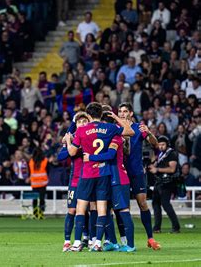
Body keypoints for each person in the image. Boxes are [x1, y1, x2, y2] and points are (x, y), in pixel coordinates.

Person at [67, 102, 134, 252]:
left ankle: (77, 242)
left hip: (87, 173)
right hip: (104, 173)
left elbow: (72, 153)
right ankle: (97, 242)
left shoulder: (82, 130)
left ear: (89, 115)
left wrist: (67, 141)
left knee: (81, 208)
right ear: (101, 114)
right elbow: (130, 131)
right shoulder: (110, 128)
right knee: (103, 209)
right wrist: (116, 117)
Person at [86, 107, 136, 252]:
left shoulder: (115, 137)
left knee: (123, 210)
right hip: (107, 176)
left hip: (118, 178)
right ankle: (112, 242)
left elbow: (110, 155)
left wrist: (91, 157)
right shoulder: (107, 137)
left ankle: (131, 245)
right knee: (106, 210)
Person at [118, 103, 161, 250]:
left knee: (143, 204)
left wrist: (149, 133)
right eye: (120, 111)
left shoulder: (138, 127)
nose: (122, 114)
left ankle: (150, 238)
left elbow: (155, 144)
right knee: (124, 208)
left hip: (136, 172)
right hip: (121, 172)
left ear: (130, 112)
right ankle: (125, 241)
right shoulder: (116, 129)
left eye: (125, 111)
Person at [58, 111, 89, 252]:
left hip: (90, 177)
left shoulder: (90, 137)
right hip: (75, 179)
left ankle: (88, 238)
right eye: (79, 122)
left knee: (89, 210)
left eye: (84, 121)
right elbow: (60, 156)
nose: (82, 124)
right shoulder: (75, 138)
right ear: (75, 125)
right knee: (72, 210)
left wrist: (71, 145)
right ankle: (66, 240)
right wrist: (70, 144)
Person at [149, 136, 181, 234]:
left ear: (167, 145)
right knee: (155, 204)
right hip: (159, 182)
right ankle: (157, 227)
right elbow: (157, 165)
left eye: (163, 144)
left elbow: (172, 169)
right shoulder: (160, 154)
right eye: (159, 144)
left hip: (168, 182)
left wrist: (157, 169)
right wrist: (153, 164)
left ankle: (176, 227)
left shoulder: (172, 153)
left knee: (166, 204)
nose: (161, 146)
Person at [28, 147, 48, 214]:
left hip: (34, 184)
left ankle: (35, 213)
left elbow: (30, 172)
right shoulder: (45, 161)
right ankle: (41, 213)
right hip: (43, 183)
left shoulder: (31, 161)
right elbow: (48, 171)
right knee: (42, 199)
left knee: (35, 199)